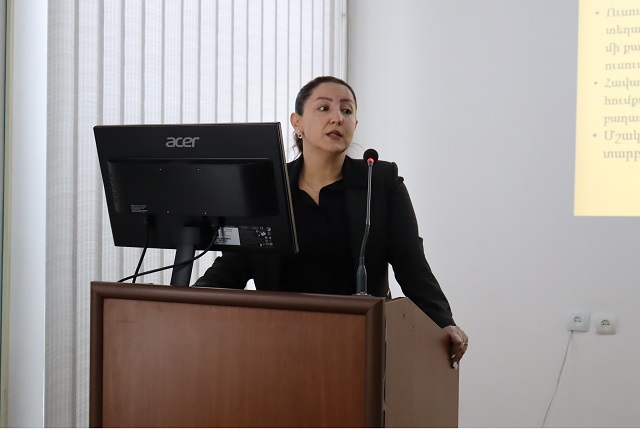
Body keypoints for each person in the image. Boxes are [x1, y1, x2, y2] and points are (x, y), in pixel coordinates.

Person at [194, 76, 468, 368]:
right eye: (324, 108)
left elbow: (410, 261)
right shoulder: (267, 188)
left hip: (360, 344)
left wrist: (442, 321)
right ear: (297, 122)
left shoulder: (380, 182)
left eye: (347, 111)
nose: (337, 118)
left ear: (355, 125)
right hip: (278, 344)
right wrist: (185, 305)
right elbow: (234, 266)